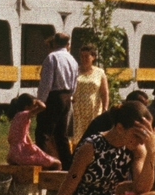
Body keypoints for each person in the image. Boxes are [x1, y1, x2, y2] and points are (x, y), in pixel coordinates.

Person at [36, 32, 79, 169]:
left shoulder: (52, 58)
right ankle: (67, 166)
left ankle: (43, 163)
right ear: (67, 44)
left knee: (43, 132)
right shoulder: (72, 60)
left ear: (54, 43)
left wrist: (41, 102)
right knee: (62, 135)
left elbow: (46, 83)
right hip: (67, 97)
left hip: (53, 97)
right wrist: (70, 96)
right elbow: (74, 83)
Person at [69, 44, 110, 146]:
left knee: (94, 136)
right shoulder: (75, 71)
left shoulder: (99, 72)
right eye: (82, 56)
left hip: (94, 110)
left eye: (86, 56)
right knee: (78, 138)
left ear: (93, 57)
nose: (83, 59)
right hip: (78, 109)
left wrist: (105, 109)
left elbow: (105, 93)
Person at [7, 93, 61, 167]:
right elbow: (43, 107)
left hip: (13, 152)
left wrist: (32, 145)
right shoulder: (24, 114)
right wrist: (38, 101)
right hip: (21, 153)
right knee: (57, 163)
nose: (35, 107)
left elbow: (25, 134)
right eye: (34, 105)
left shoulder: (17, 116)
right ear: (27, 107)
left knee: (43, 156)